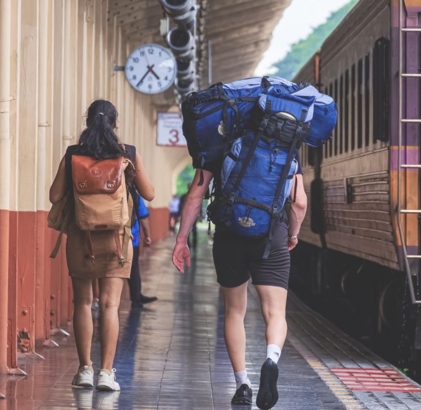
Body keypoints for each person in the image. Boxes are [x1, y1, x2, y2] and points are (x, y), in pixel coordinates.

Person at [171, 159, 307, 408]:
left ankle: (242, 384)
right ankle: (271, 360)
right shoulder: (285, 142)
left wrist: (181, 240)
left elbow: (195, 195)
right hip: (272, 233)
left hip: (229, 234)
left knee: (234, 311)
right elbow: (299, 202)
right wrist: (293, 234)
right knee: (275, 311)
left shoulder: (218, 141)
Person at [49, 99, 155, 392]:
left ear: (88, 122)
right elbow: (150, 193)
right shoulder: (128, 154)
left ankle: (85, 370)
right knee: (110, 305)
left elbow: (55, 196)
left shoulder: (73, 154)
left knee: (83, 302)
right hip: (117, 241)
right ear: (115, 123)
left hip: (80, 237)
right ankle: (106, 373)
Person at [128, 195, 158, 309]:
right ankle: (136, 299)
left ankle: (137, 295)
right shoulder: (133, 192)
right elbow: (143, 217)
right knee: (133, 269)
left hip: (111, 237)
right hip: (132, 237)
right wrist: (147, 236)